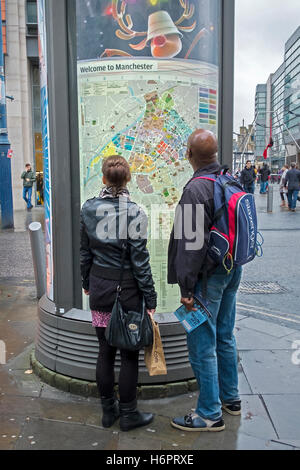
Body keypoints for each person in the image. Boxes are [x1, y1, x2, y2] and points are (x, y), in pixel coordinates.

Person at [168, 129, 242, 432]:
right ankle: (231, 399)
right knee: (225, 335)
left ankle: (209, 414)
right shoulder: (229, 180)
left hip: (207, 277)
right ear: (214, 154)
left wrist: (187, 288)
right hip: (232, 269)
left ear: (189, 155)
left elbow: (189, 243)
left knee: (201, 344)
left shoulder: (195, 190)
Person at [80, 155, 157, 431]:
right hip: (127, 293)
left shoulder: (88, 209)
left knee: (104, 351)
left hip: (100, 288)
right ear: (127, 180)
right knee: (128, 355)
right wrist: (151, 297)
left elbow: (85, 252)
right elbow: (141, 262)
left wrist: (86, 282)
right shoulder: (135, 212)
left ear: (103, 178)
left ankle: (107, 412)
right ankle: (129, 415)